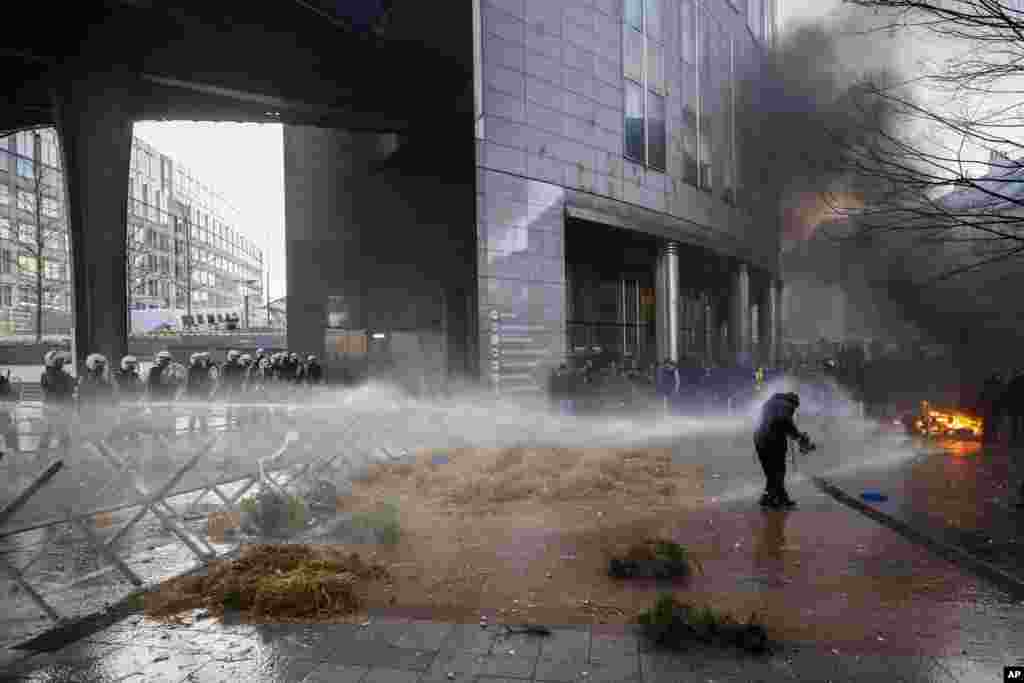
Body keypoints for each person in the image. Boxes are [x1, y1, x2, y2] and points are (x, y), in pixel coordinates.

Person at [754, 392, 814, 509]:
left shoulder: (769, 403)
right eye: (795, 407)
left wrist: (795, 435)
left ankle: (771, 499)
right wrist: (799, 436)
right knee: (779, 471)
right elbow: (784, 421)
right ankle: (777, 500)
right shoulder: (787, 405)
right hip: (773, 440)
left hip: (759, 438)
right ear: (793, 402)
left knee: (771, 473)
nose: (794, 410)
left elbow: (776, 421)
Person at [40, 350, 76, 452]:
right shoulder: (53, 375)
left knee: (51, 433)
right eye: (59, 360)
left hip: (54, 408)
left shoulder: (52, 374)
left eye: (61, 360)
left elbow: (71, 384)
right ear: (52, 362)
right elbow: (66, 387)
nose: (62, 362)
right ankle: (61, 455)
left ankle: (42, 456)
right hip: (57, 408)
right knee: (60, 434)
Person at [78, 353, 117, 436]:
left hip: (103, 413)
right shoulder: (85, 379)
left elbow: (113, 395)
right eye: (99, 366)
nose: (102, 368)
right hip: (91, 413)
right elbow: (80, 398)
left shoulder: (106, 379)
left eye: (102, 366)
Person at [147, 350, 181, 438]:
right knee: (160, 420)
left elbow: (175, 385)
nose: (165, 362)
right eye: (164, 360)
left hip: (164, 400)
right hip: (159, 400)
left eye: (166, 360)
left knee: (163, 419)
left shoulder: (170, 371)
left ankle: (164, 436)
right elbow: (150, 387)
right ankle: (162, 436)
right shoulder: (154, 370)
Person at [184, 352, 215, 433]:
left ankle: (191, 431)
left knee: (193, 415)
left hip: (194, 395)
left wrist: (187, 395)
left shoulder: (191, 369)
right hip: (203, 395)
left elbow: (188, 384)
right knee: (202, 415)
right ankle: (204, 431)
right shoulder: (204, 369)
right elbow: (209, 382)